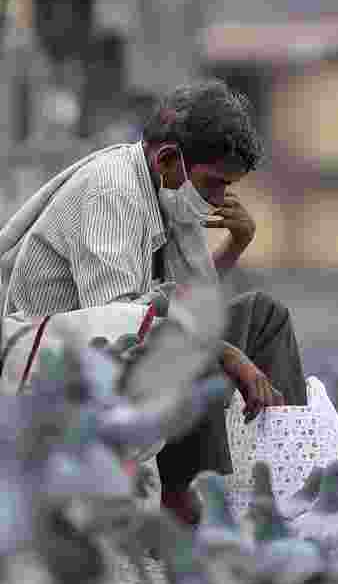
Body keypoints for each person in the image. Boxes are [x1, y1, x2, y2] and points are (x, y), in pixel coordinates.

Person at [0, 79, 307, 525]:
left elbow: (185, 297)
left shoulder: (162, 192)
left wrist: (239, 241)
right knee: (193, 349)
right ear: (167, 159)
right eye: (215, 183)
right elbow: (128, 321)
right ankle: (189, 503)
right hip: (63, 361)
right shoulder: (113, 194)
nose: (220, 198)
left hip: (127, 337)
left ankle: (285, 473)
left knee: (263, 317)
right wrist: (229, 355)